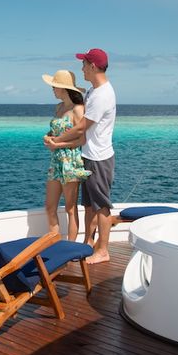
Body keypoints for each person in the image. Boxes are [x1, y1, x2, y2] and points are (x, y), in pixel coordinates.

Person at [44, 48, 116, 264]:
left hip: (98, 157)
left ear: (93, 66)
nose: (82, 69)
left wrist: (56, 141)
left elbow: (81, 128)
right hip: (88, 155)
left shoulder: (102, 94)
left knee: (101, 205)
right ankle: (87, 244)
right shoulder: (93, 92)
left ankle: (103, 250)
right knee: (89, 205)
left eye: (84, 65)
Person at [41, 69, 90, 241]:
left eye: (54, 87)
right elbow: (55, 130)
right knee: (50, 207)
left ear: (63, 88)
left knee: (71, 208)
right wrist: (48, 137)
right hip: (55, 162)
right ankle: (55, 244)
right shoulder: (59, 107)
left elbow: (81, 139)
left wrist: (58, 144)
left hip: (71, 161)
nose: (53, 90)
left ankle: (70, 247)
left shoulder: (78, 109)